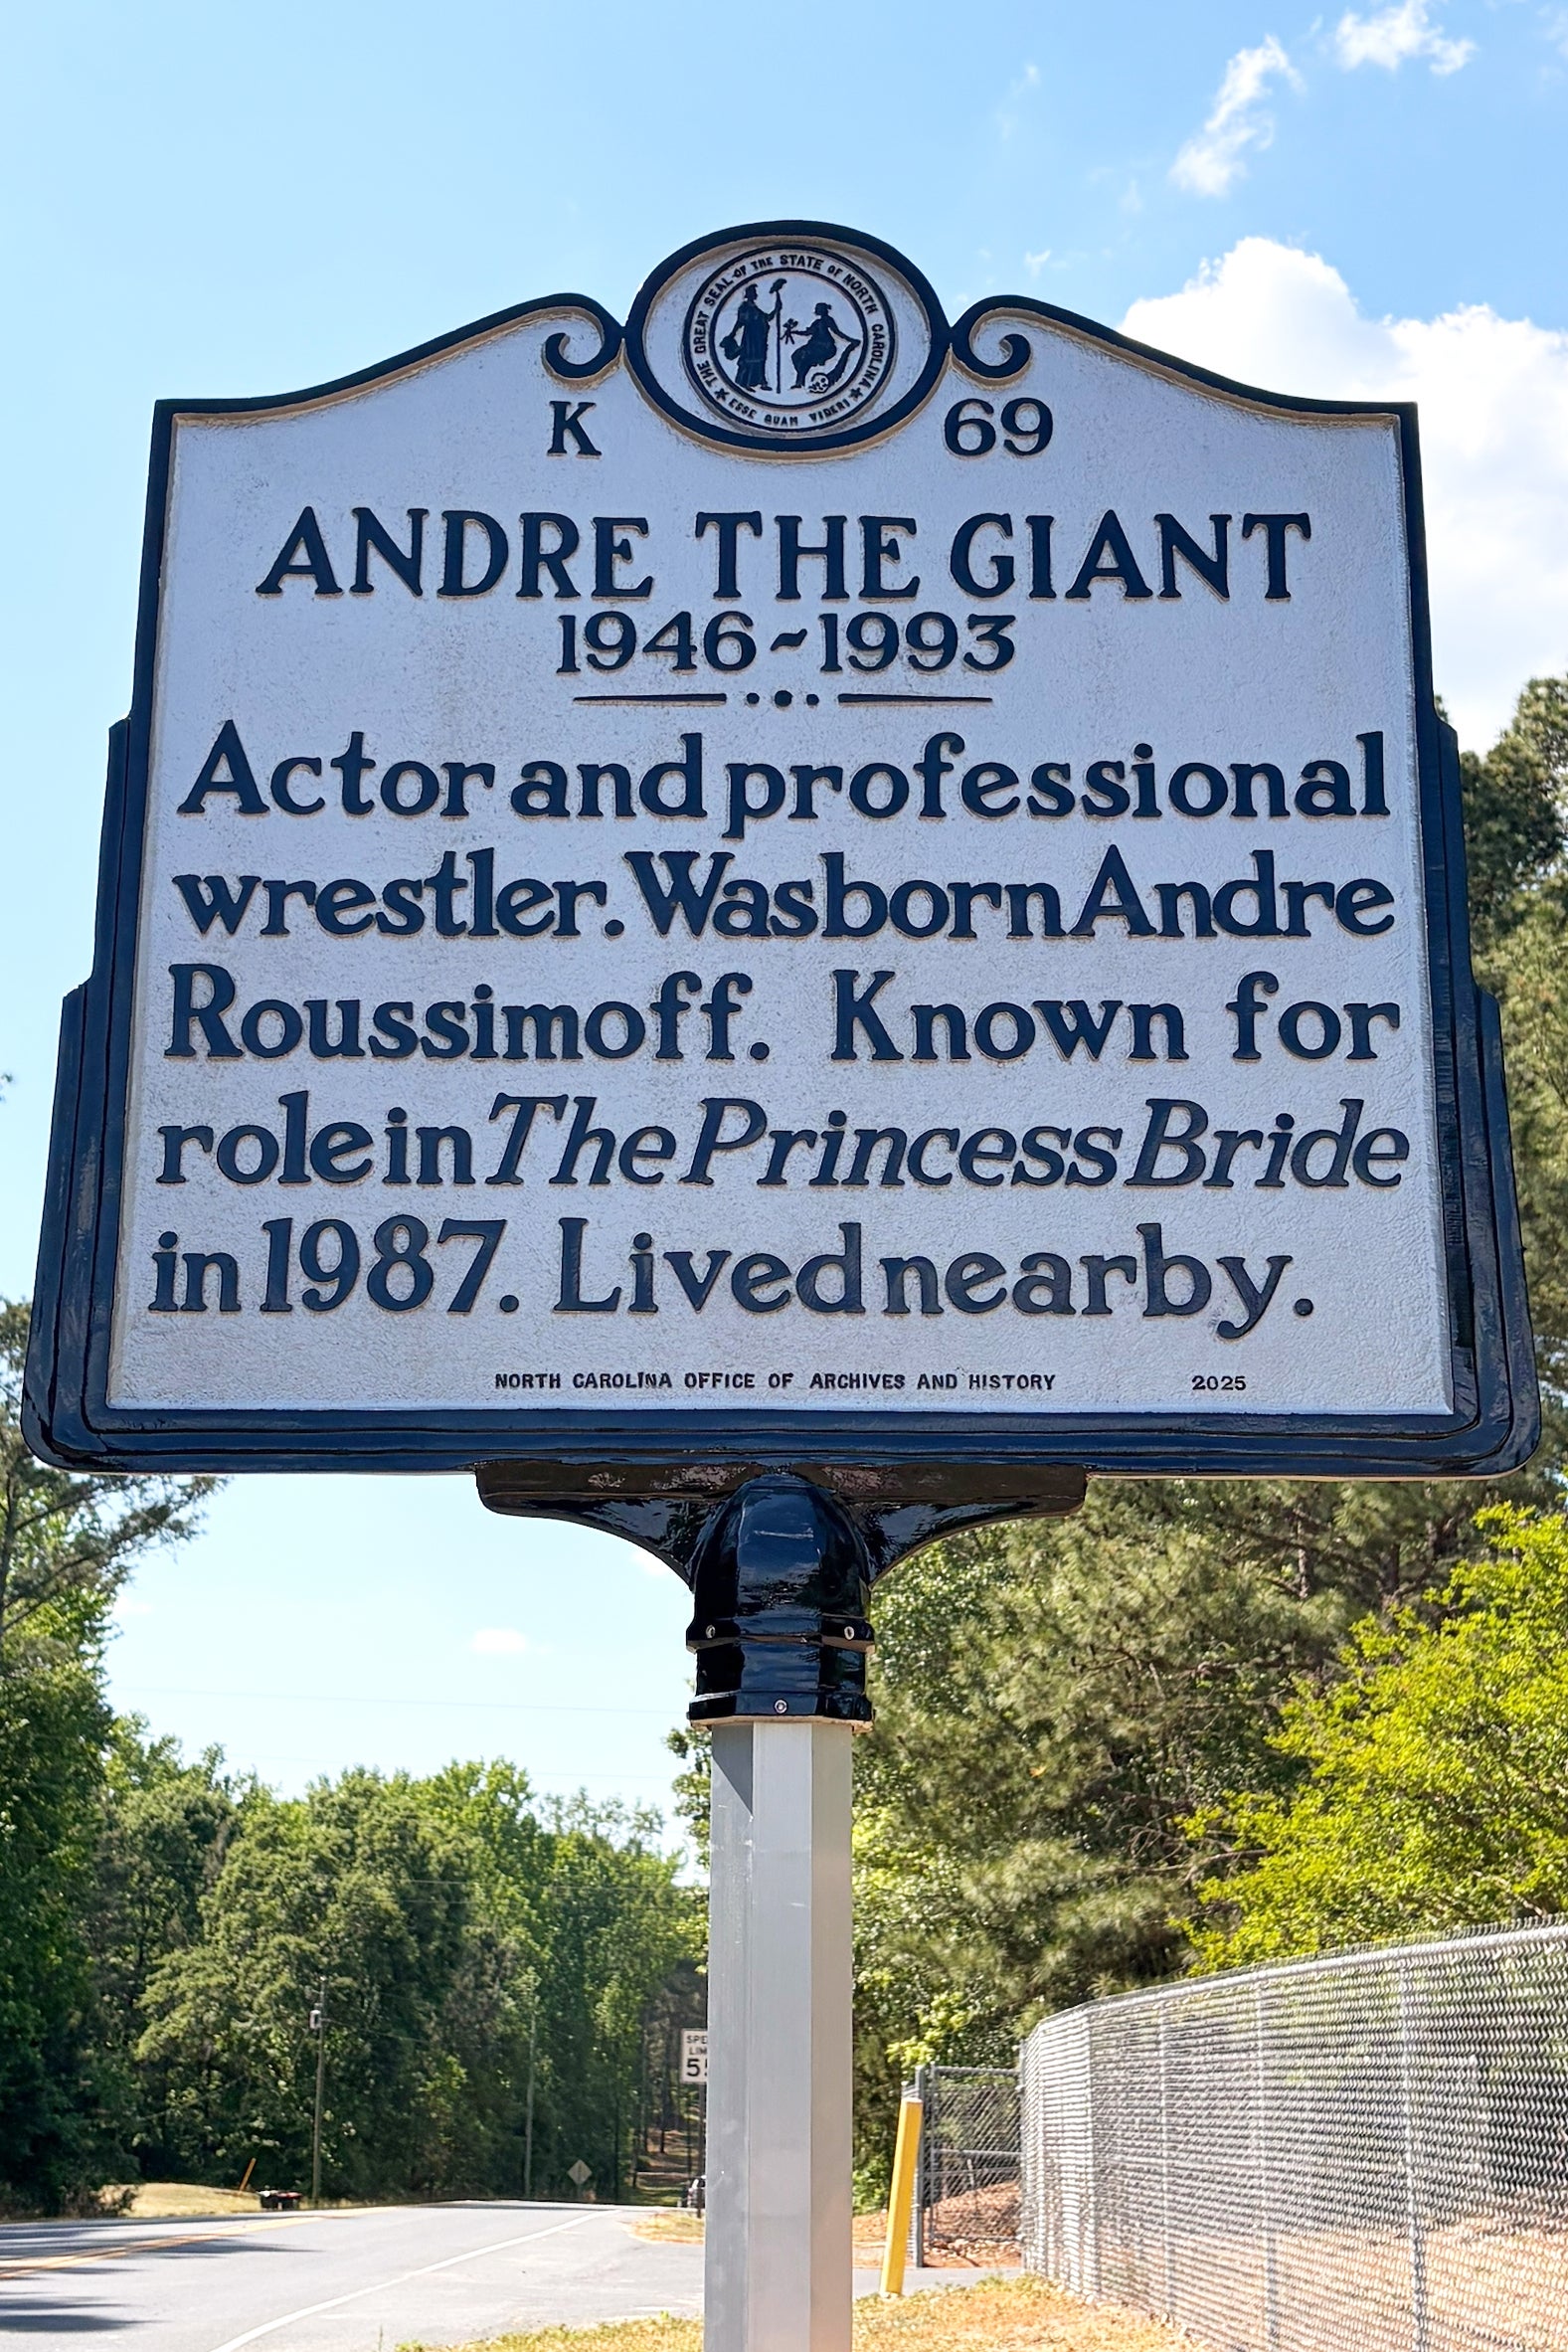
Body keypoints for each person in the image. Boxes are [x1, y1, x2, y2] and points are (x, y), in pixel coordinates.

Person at [785, 301, 854, 389]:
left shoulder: (828, 320)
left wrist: (851, 340)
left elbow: (837, 332)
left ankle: (800, 381)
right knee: (795, 356)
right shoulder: (817, 322)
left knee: (804, 361)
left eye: (818, 309)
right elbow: (808, 332)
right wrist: (793, 332)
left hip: (824, 347)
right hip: (813, 346)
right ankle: (801, 376)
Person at [720, 287, 772, 390]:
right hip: (750, 338)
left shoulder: (755, 308)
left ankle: (761, 381)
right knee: (749, 359)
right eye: (754, 293)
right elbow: (739, 323)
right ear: (749, 295)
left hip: (759, 339)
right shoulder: (744, 308)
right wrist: (732, 334)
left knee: (761, 359)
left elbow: (765, 317)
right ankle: (745, 382)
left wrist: (776, 309)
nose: (755, 294)